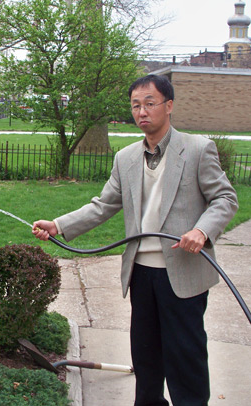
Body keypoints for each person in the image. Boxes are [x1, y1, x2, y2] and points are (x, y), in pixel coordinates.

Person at [33, 74, 238, 406]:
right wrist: (58, 225)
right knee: (146, 357)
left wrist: (202, 230)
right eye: (135, 106)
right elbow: (104, 205)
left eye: (149, 104)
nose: (142, 112)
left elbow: (225, 199)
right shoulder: (126, 158)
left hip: (183, 273)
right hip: (141, 274)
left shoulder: (198, 149)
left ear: (168, 106)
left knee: (186, 356)